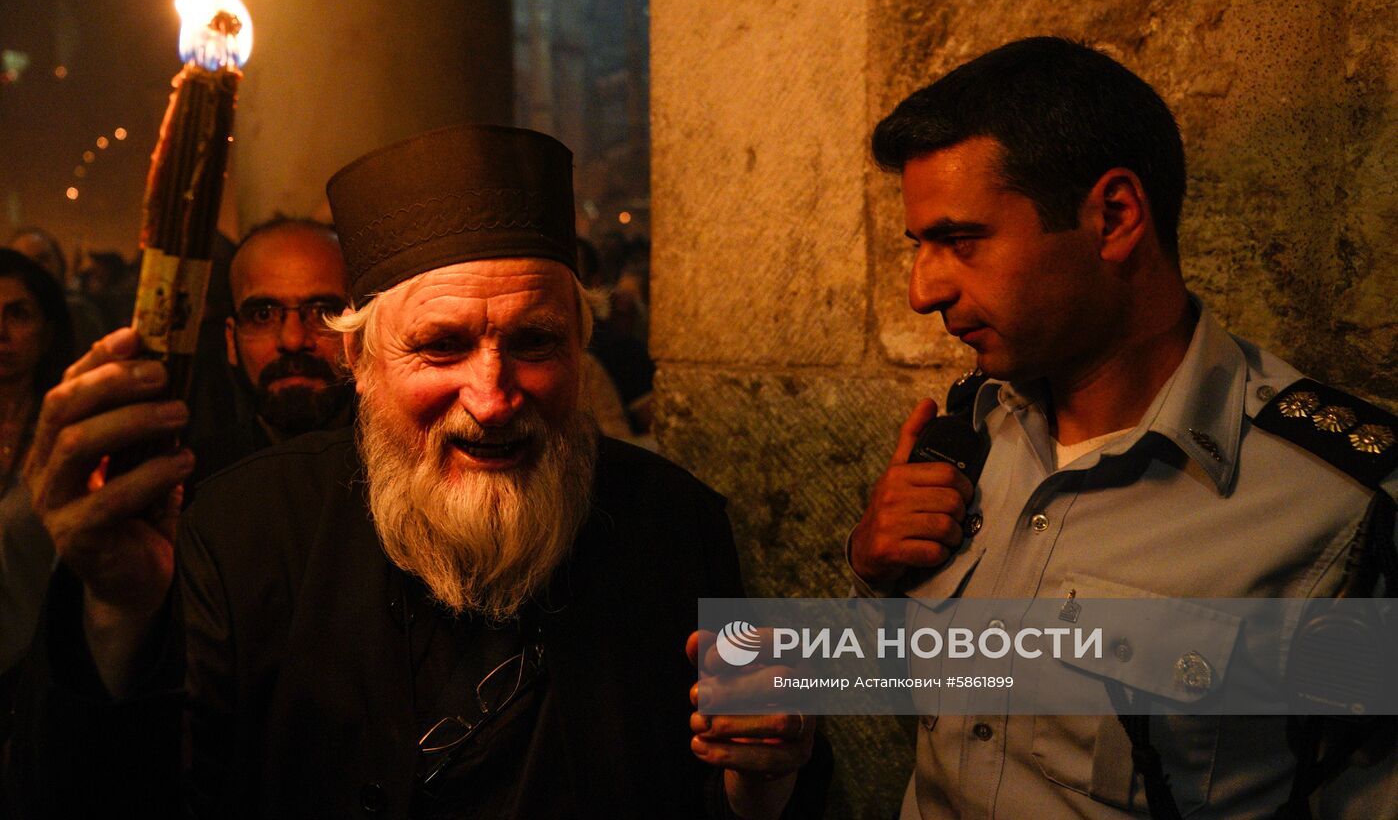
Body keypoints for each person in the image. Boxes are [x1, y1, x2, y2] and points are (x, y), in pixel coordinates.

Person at [9, 124, 823, 818]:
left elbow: (761, 774)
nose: (493, 396)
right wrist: (116, 615)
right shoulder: (239, 530)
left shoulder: (676, 521)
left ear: (580, 349)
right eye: (443, 346)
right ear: (359, 362)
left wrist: (765, 776)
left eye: (534, 342)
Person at [848, 37, 1397, 818]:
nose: (922, 290)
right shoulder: (974, 429)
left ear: (1113, 217)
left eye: (960, 242)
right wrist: (872, 571)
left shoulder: (1339, 509)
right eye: (920, 246)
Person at [184, 218, 355, 484]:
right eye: (263, 315)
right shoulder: (194, 484)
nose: (293, 340)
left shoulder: (408, 471)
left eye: (322, 312)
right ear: (231, 341)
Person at [0, 251, 75, 680]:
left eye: (19, 314)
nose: (1, 332)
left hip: (44, 668)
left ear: (47, 331)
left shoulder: (67, 430)